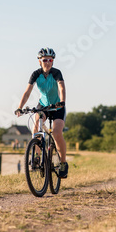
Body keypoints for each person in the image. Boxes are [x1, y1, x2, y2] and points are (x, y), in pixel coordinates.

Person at [15, 47, 69, 178]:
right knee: (36, 127)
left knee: (56, 132)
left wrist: (62, 101)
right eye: (45, 60)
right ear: (39, 61)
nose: (48, 62)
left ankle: (63, 163)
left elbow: (61, 87)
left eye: (50, 60)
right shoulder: (36, 74)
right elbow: (27, 92)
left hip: (57, 107)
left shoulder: (56, 73)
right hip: (43, 106)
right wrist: (20, 107)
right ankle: (37, 157)